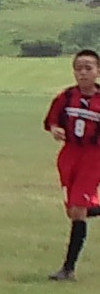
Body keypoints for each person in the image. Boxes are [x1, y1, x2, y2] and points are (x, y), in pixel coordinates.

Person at [43, 49, 100, 281]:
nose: (83, 73)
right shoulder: (66, 97)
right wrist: (55, 129)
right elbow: (52, 121)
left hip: (93, 157)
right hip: (69, 156)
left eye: (88, 68)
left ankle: (68, 269)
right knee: (74, 210)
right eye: (78, 68)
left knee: (77, 210)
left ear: (98, 71)